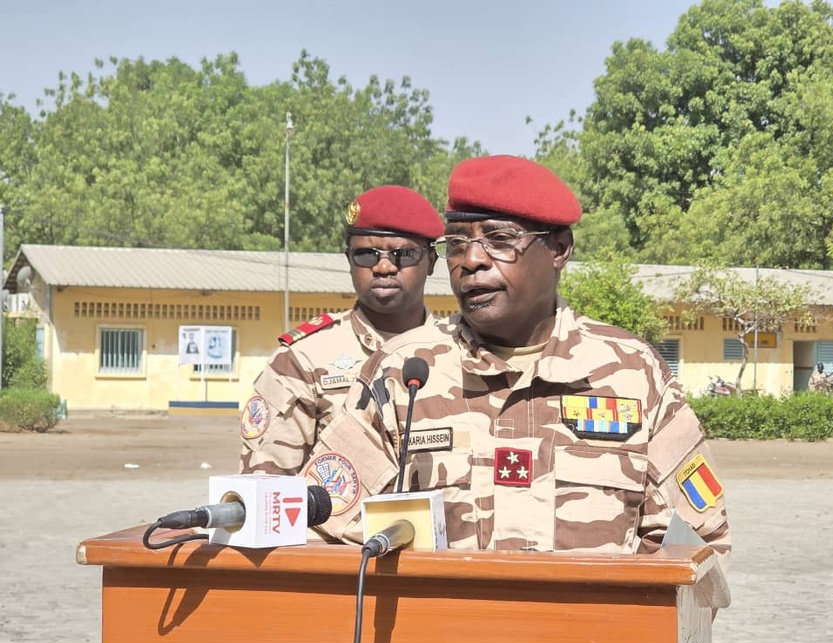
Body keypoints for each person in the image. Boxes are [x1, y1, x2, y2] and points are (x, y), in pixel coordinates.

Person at [304, 155, 731, 569]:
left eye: (500, 239)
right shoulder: (402, 373)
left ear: (558, 249)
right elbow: (319, 532)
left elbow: (697, 547)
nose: (471, 261)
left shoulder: (633, 373)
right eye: (457, 244)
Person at [239, 185, 444, 475]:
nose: (384, 267)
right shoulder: (301, 360)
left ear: (431, 261)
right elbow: (267, 485)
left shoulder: (464, 354)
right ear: (349, 261)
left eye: (403, 254)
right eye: (367, 255)